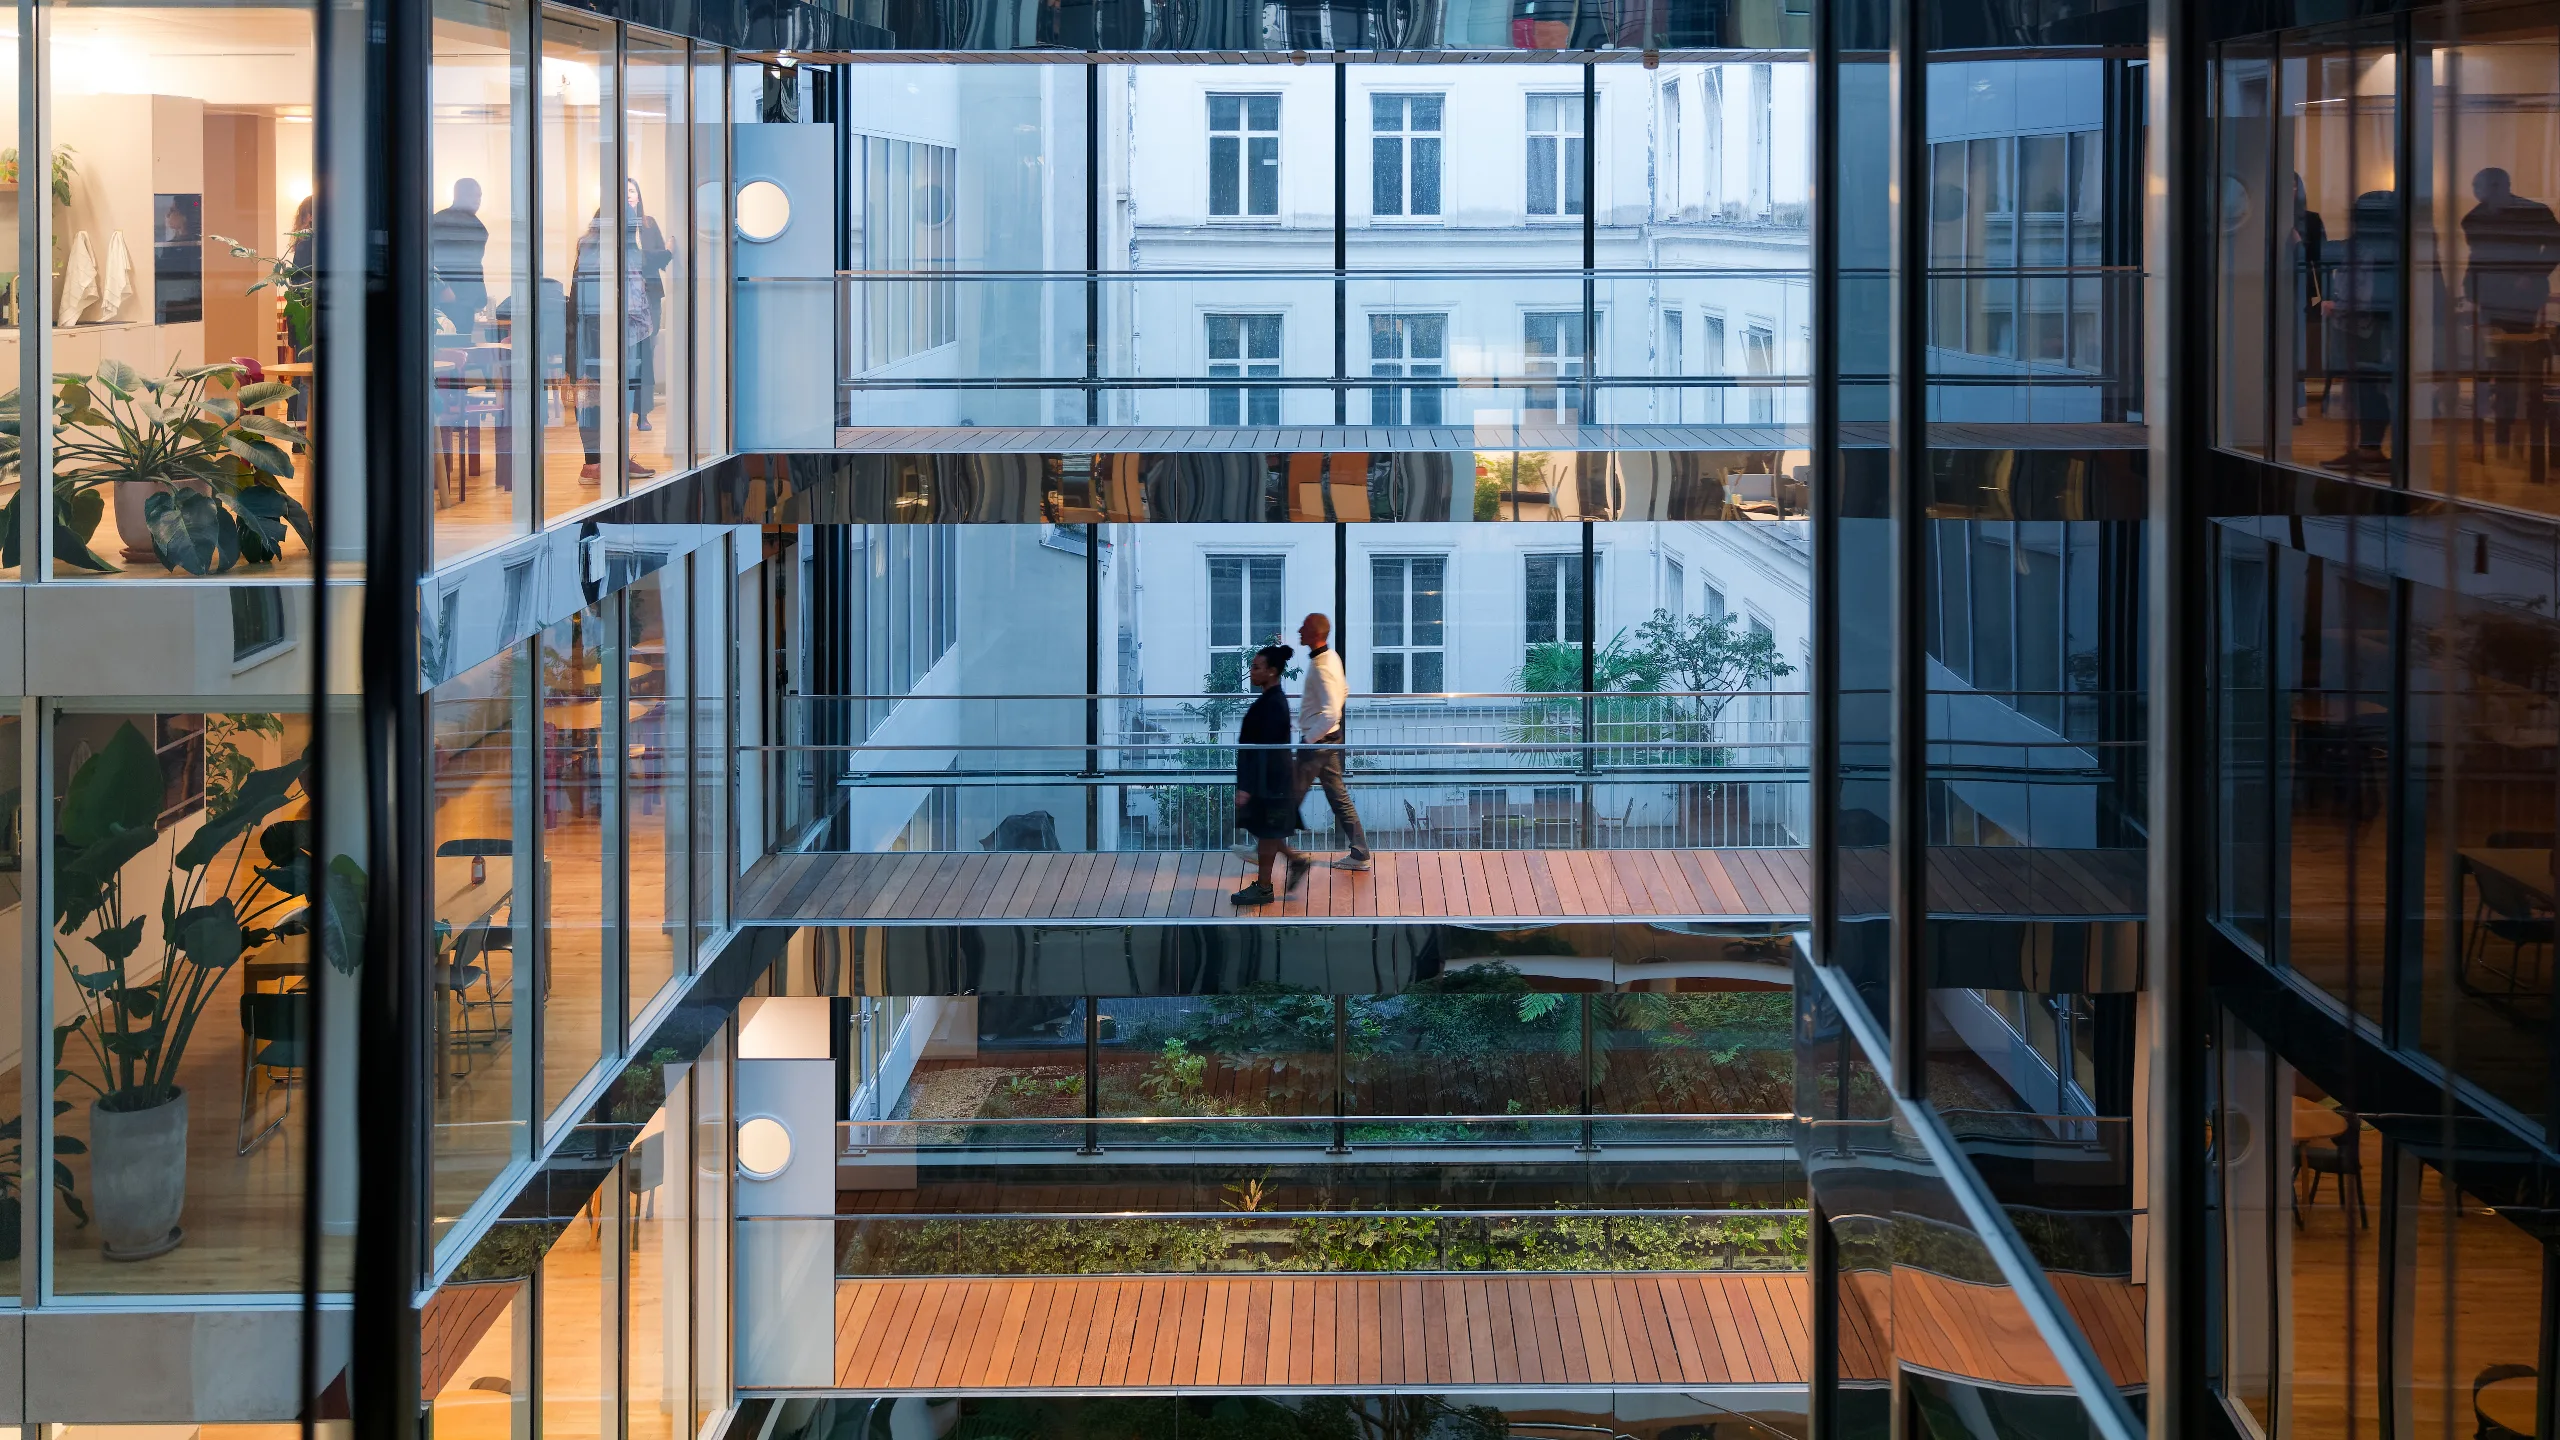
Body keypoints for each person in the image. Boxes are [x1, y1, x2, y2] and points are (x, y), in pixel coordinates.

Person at [2460, 167, 2560, 458]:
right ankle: (2503, 429)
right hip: (2492, 296)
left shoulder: (2533, 212)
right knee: (2500, 362)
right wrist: (2472, 290)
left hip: (2520, 298)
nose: (2484, 194)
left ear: (2503, 186)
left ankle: (2509, 429)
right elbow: (2477, 258)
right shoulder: (2474, 218)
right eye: (2481, 189)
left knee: (2511, 363)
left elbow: (2556, 244)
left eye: (2490, 187)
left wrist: (2531, 273)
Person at [568, 197, 656, 485]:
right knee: (596, 398)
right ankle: (594, 464)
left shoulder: (617, 251)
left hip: (619, 335)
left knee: (615, 397)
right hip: (600, 335)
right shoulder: (596, 251)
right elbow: (590, 299)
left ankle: (612, 459)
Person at [2322, 190, 2398, 476]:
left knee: (2372, 387)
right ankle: (2366, 448)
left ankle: (2371, 451)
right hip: (2358, 323)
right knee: (2359, 387)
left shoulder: (2388, 243)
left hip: (2376, 323)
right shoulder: (2362, 242)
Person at [1232, 644, 1312, 906]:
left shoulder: (1272, 704)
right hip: (1270, 783)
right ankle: (1292, 864)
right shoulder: (1271, 701)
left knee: (1267, 832)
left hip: (1270, 784)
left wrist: (1247, 786)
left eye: (1256, 667)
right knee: (1268, 832)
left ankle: (1266, 886)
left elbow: (1263, 751)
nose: (1252, 671)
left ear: (1272, 671)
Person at [1293, 613, 1372, 871]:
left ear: (1315, 634)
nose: (1299, 630)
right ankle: (1360, 853)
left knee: (1290, 793)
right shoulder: (1331, 658)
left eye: (1304, 627)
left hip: (1318, 743)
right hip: (1327, 739)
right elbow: (1344, 691)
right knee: (1337, 796)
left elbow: (1330, 713)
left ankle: (1264, 848)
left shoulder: (1322, 666)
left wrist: (1309, 738)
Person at [625, 178, 674, 434]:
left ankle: (643, 414)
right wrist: (658, 255)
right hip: (625, 302)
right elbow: (642, 257)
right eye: (625, 191)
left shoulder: (648, 223)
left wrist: (658, 255)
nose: (629, 195)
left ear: (639, 195)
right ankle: (623, 411)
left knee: (646, 356)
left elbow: (661, 256)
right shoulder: (614, 226)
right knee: (626, 357)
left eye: (632, 190)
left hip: (650, 299)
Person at [430, 178, 491, 339]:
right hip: (447, 299)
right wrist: (442, 287)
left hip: (463, 299)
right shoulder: (441, 222)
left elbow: (474, 264)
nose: (478, 201)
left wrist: (478, 298)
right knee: (451, 346)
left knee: (459, 347)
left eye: (480, 196)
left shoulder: (476, 226)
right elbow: (432, 260)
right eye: (474, 196)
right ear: (459, 195)